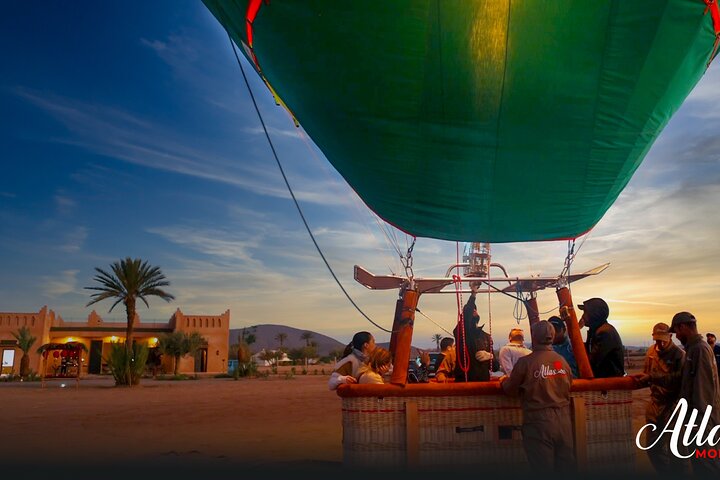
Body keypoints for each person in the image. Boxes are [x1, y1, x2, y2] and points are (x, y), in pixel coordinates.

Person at [500, 321, 575, 473]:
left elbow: (510, 389)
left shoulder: (526, 363)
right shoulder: (562, 361)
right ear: (552, 337)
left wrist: (503, 382)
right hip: (564, 420)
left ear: (533, 337)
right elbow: (569, 384)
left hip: (539, 422)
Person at [670, 312, 720, 475]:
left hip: (702, 421)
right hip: (700, 420)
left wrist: (698, 423)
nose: (676, 336)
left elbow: (702, 390)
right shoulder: (694, 349)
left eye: (676, 331)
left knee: (707, 467)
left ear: (683, 327)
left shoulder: (699, 349)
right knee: (701, 466)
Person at [635, 322, 687, 474]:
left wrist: (652, 377)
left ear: (670, 336)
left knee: (676, 451)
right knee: (652, 448)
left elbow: (679, 380)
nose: (660, 343)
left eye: (663, 339)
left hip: (673, 406)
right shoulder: (651, 352)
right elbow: (646, 374)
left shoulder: (679, 355)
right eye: (657, 340)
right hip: (655, 405)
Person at [454, 284, 493, 382]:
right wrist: (473, 295)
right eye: (471, 310)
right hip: (463, 383)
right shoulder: (461, 333)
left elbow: (495, 367)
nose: (473, 312)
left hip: (483, 385)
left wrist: (490, 357)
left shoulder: (487, 337)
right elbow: (467, 314)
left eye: (475, 310)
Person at [579, 297, 624, 377]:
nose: (582, 316)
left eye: (585, 312)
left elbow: (592, 361)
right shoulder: (596, 330)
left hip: (610, 384)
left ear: (594, 314)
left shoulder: (604, 333)